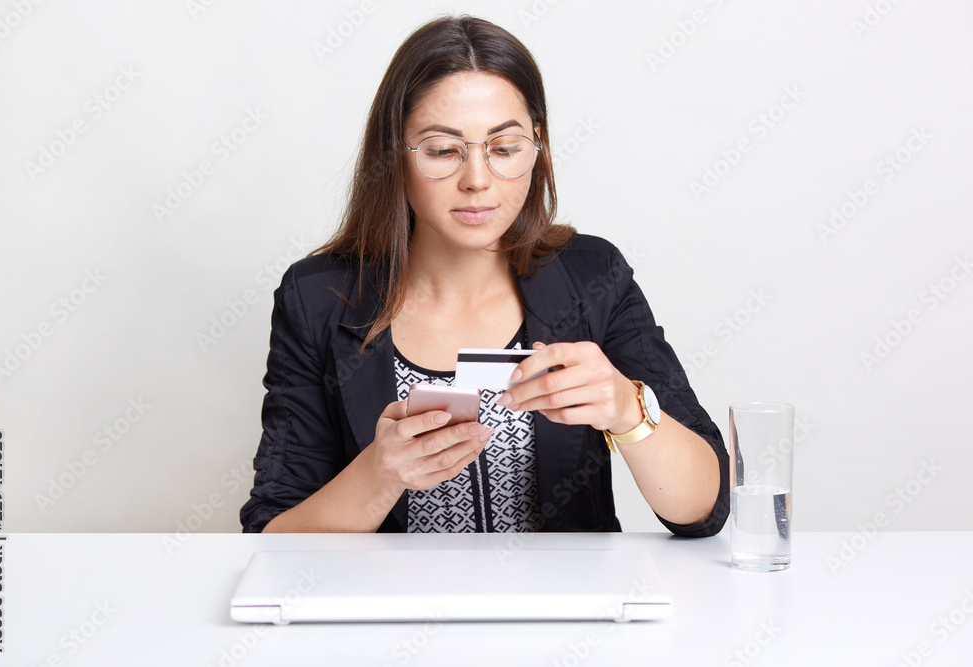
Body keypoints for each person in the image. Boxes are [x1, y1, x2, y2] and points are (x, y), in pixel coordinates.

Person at [240, 15, 728, 536]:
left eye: (504, 148)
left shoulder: (592, 274)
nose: (477, 180)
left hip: (564, 612)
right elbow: (272, 538)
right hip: (390, 612)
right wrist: (379, 474)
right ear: (394, 156)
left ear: (537, 148)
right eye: (443, 150)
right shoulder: (318, 296)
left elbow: (704, 509)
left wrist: (629, 410)